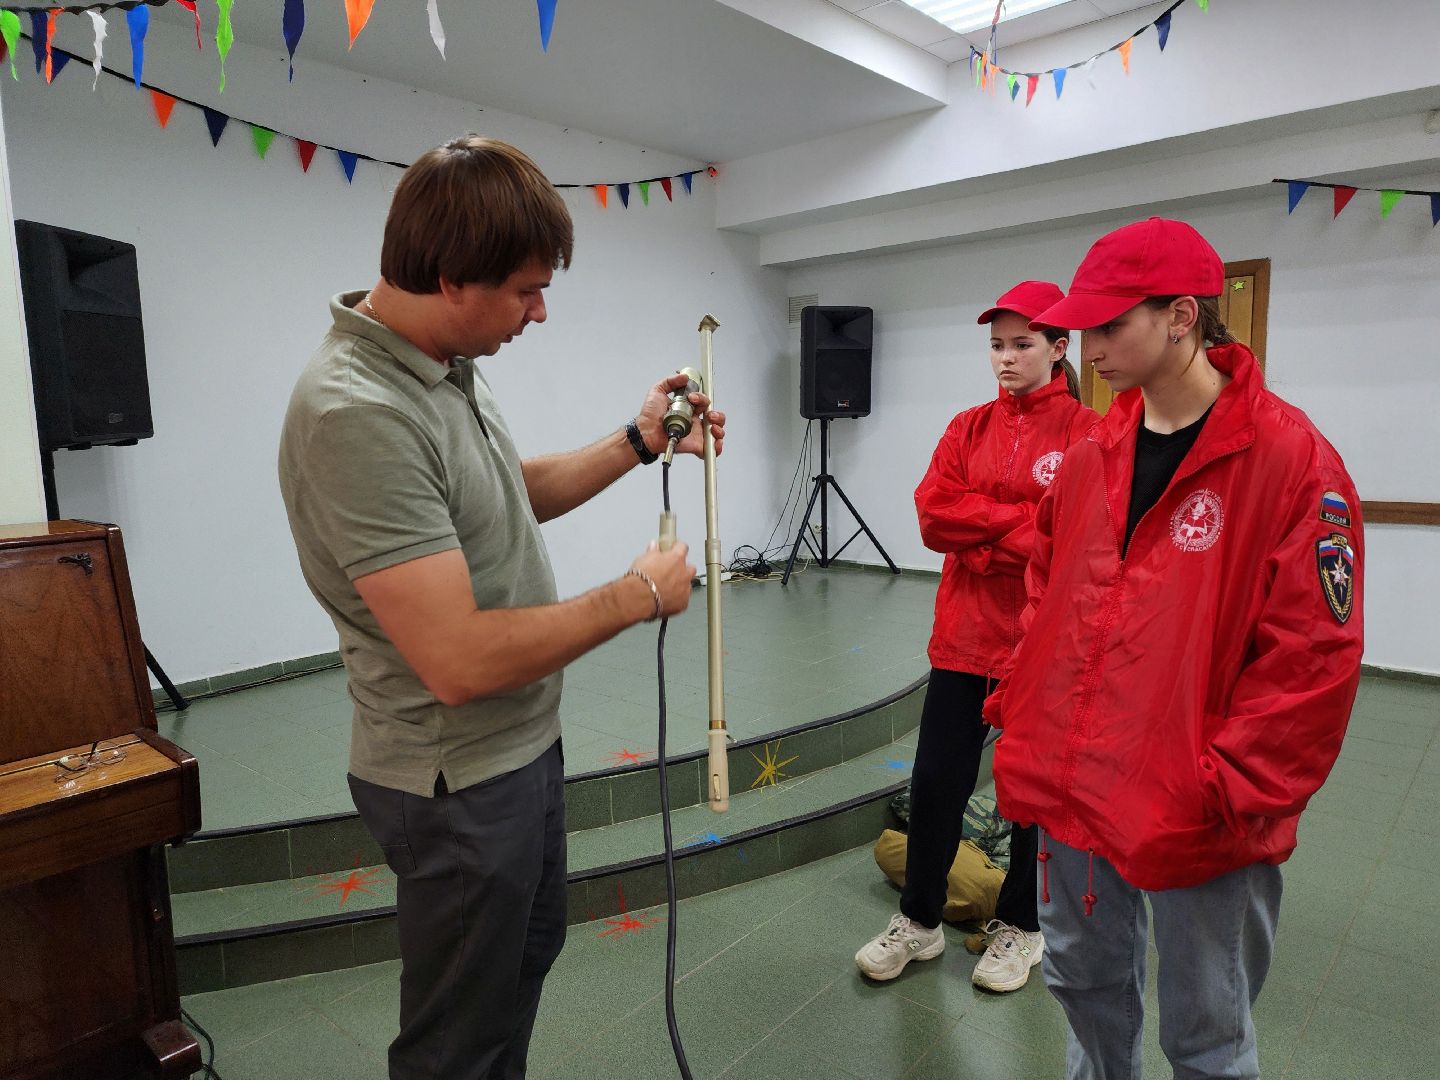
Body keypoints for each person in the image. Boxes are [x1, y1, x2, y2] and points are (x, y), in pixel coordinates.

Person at [277, 135, 724, 1080]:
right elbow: (459, 661)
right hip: (457, 782)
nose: (541, 311)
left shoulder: (440, 366)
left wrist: (639, 441)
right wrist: (637, 593)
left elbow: (499, 491)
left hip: (517, 750)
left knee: (515, 976)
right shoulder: (358, 411)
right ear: (451, 279)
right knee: (457, 1044)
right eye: (526, 290)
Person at [985, 218, 1364, 1078]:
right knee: (1085, 995)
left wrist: (1224, 787)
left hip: (1199, 812)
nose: (1090, 346)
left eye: (1111, 325)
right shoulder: (1094, 452)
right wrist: (1025, 708)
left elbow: (1315, 656)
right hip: (1076, 788)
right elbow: (1045, 591)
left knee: (1206, 1032)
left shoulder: (1291, 460)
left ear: (1184, 316)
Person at [855, 281, 1099, 992]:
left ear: (1059, 348)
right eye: (997, 344)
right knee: (936, 783)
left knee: (1028, 794)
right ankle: (920, 922)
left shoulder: (1087, 434)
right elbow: (934, 515)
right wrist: (1017, 530)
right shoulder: (966, 427)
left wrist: (984, 531)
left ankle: (1022, 928)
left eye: (1023, 344)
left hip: (1041, 641)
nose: (1006, 358)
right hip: (964, 636)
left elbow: (1075, 536)